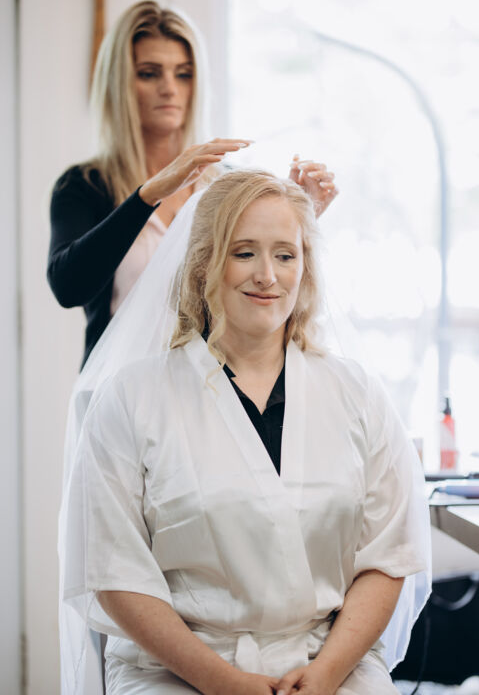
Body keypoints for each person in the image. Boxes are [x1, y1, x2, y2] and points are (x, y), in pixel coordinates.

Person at [62, 169, 431, 694]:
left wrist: (326, 673)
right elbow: (113, 571)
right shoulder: (130, 399)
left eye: (285, 255)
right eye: (243, 253)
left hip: (329, 662)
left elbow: (387, 557)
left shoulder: (358, 394)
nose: (267, 275)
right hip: (176, 668)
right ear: (203, 263)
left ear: (305, 266)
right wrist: (224, 682)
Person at [47, 0, 337, 367]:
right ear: (119, 83)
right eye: (149, 73)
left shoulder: (226, 185)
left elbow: (264, 287)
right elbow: (69, 287)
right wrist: (149, 194)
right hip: (115, 382)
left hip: (209, 384)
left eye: (183, 74)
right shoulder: (85, 186)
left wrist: (300, 220)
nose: (169, 88)